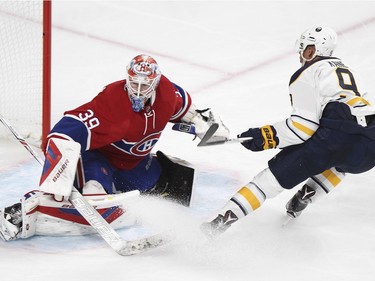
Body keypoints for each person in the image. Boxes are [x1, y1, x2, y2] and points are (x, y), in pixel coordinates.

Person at [0, 54, 229, 241]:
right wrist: (58, 165)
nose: (138, 90)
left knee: (170, 188)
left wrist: (204, 124)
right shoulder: (112, 103)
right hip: (98, 159)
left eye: (145, 85)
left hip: (134, 163)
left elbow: (190, 113)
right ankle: (22, 212)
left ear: (156, 83)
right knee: (95, 197)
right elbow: (69, 128)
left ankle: (105, 197)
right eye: (134, 83)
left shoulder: (169, 94)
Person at [201, 26, 375, 237]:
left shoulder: (309, 72)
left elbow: (302, 128)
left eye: (304, 48)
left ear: (313, 49)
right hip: (369, 146)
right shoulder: (350, 71)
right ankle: (307, 195)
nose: (301, 55)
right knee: (342, 160)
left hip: (336, 138)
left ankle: (219, 223)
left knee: (265, 184)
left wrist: (262, 137)